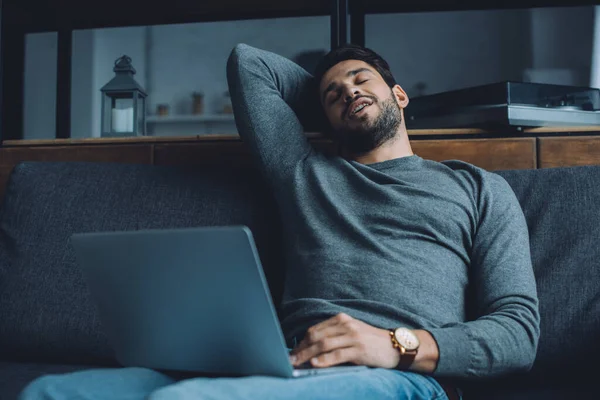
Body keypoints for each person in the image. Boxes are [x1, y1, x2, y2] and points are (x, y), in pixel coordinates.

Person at [19, 43, 540, 400]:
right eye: (332, 95)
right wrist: (334, 99)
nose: (349, 92)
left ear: (400, 96)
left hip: (400, 378)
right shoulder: (303, 172)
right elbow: (249, 64)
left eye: (363, 81)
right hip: (285, 364)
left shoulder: (475, 187)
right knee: (51, 391)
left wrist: (395, 344)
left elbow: (518, 333)